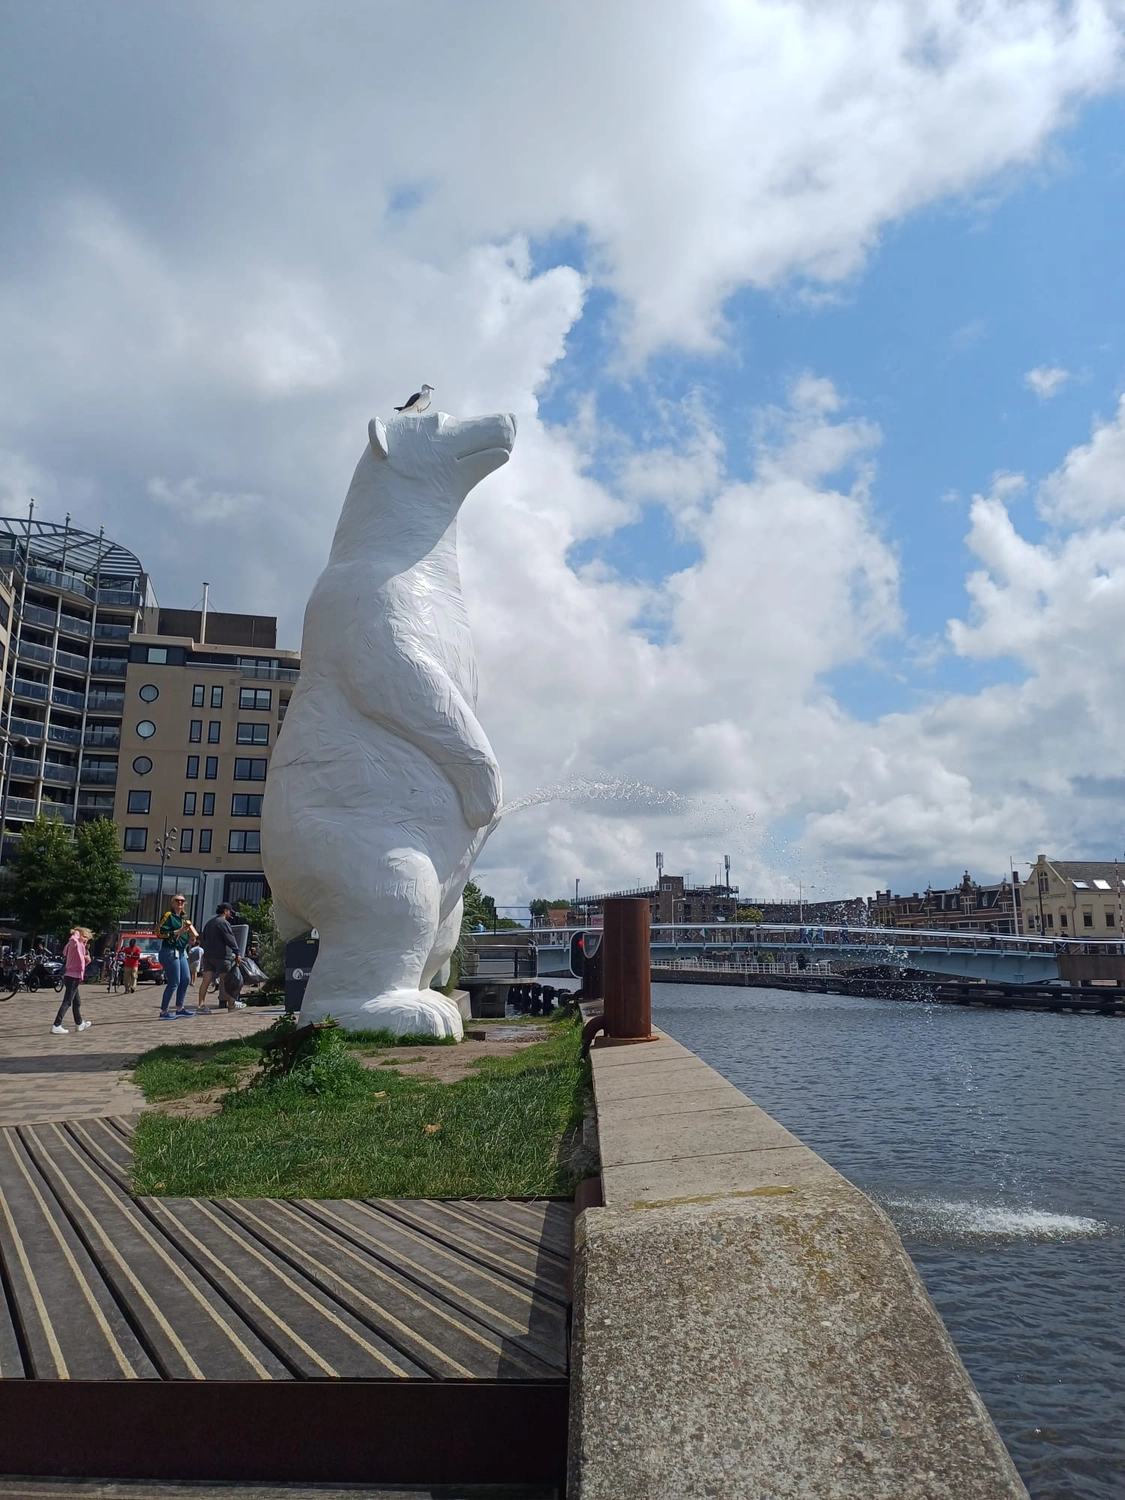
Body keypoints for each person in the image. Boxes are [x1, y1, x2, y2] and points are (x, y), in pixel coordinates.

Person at [197, 902, 242, 1013]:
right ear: (225, 911)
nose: (230, 914)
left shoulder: (209, 923)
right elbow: (229, 938)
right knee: (226, 981)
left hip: (208, 956)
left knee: (205, 981)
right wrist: (237, 952)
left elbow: (203, 938)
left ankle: (201, 1006)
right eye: (230, 912)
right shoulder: (223, 923)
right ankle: (231, 1005)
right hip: (221, 957)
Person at [158, 894, 198, 1018]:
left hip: (180, 952)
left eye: (182, 901)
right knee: (174, 981)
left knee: (185, 979)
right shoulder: (168, 916)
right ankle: (164, 1011)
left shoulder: (184, 918)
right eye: (177, 900)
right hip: (169, 951)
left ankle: (180, 1008)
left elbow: (184, 936)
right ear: (173, 903)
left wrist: (190, 940)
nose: (180, 903)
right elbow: (159, 933)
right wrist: (176, 932)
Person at [51, 927, 92, 1034]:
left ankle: (79, 1023)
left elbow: (78, 962)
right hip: (73, 977)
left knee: (77, 1001)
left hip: (73, 976)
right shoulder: (74, 944)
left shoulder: (79, 947)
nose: (86, 939)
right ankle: (56, 1025)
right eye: (84, 936)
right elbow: (73, 939)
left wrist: (86, 960)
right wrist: (76, 933)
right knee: (67, 1001)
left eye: (87, 938)